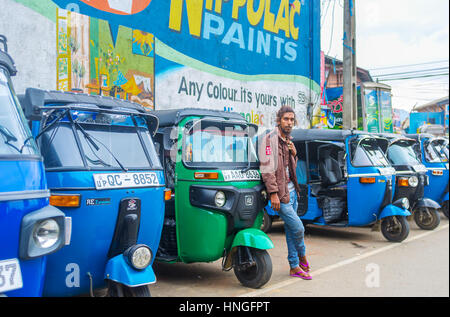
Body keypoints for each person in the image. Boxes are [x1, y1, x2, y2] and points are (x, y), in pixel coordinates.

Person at [259, 106, 312, 280]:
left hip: (292, 193)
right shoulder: (269, 140)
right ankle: (302, 257)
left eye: (291, 119)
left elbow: (291, 169)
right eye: (286, 119)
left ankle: (294, 266)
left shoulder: (289, 141)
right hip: (281, 196)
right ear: (279, 120)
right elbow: (266, 168)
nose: (289, 122)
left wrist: (294, 154)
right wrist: (273, 193)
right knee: (298, 228)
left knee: (291, 230)